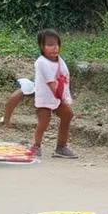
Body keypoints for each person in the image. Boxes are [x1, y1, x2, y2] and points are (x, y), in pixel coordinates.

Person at [30, 29, 76, 160]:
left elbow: (64, 79)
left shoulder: (60, 61)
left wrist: (64, 98)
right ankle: (36, 146)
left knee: (68, 115)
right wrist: (63, 98)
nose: (54, 48)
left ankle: (61, 147)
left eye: (56, 44)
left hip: (57, 97)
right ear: (41, 47)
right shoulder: (41, 62)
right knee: (44, 122)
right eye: (50, 45)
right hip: (45, 98)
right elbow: (52, 84)